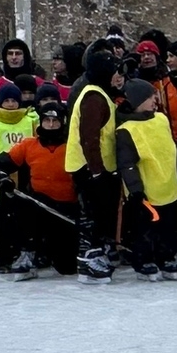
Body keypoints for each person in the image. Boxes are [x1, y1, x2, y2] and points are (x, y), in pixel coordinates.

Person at [0, 94, 79, 275]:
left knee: (67, 267)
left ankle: (52, 252)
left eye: (56, 121)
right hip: (39, 206)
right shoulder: (29, 145)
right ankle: (27, 252)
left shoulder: (74, 146)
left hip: (67, 210)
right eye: (47, 120)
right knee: (23, 204)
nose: (52, 125)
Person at [111, 79, 177, 280]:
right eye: (150, 97)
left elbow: (171, 149)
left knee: (168, 226)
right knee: (145, 229)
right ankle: (144, 260)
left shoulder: (161, 119)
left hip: (168, 185)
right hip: (145, 190)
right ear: (137, 101)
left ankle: (166, 256)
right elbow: (127, 163)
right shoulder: (126, 129)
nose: (155, 100)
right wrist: (135, 188)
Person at [64, 47, 124, 278]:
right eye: (114, 71)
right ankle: (87, 259)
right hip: (89, 168)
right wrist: (96, 170)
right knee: (90, 215)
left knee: (97, 214)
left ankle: (96, 253)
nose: (117, 76)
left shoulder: (100, 93)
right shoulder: (93, 97)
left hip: (95, 167)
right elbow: (89, 137)